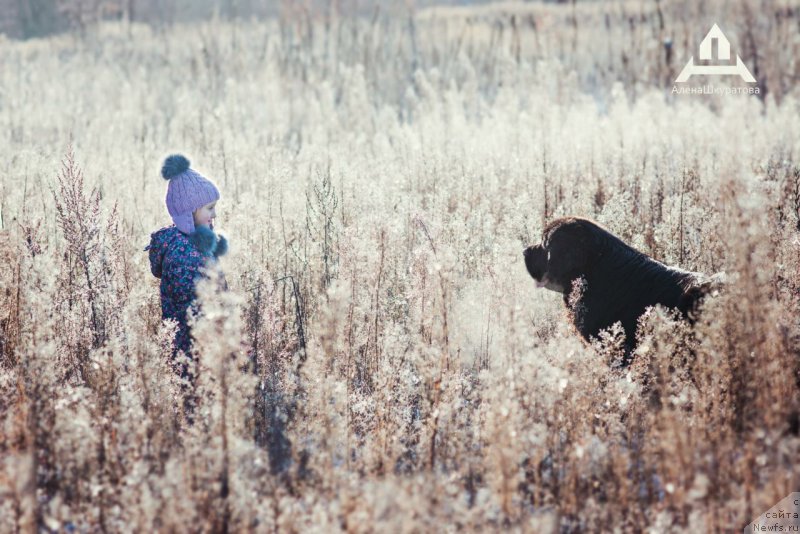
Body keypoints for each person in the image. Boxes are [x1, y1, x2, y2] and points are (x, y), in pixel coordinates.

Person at [145, 154, 228, 383]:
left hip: (201, 342)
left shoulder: (197, 244)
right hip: (191, 346)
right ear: (189, 213)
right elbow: (192, 307)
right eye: (209, 209)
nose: (215, 214)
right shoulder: (183, 254)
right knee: (192, 395)